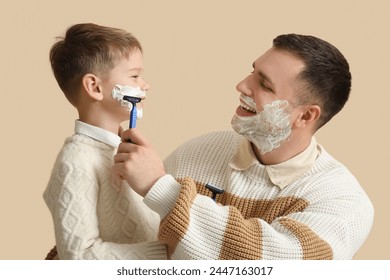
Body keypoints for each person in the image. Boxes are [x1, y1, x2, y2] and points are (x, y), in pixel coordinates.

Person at [113, 34, 374, 260]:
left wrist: (161, 189)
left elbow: (272, 263)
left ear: (305, 116)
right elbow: (141, 241)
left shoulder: (344, 203)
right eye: (252, 72)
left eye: (265, 84)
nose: (242, 86)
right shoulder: (197, 152)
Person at [43, 23, 166, 260]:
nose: (145, 84)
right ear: (95, 87)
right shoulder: (75, 162)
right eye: (135, 75)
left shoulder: (133, 153)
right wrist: (164, 254)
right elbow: (78, 256)